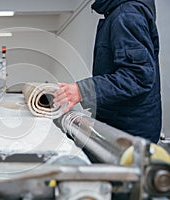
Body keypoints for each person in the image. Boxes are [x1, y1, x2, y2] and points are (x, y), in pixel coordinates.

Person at [53, 0, 161, 143]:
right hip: (122, 122)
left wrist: (83, 90)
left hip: (129, 129)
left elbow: (138, 76)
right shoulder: (118, 14)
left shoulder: (127, 14)